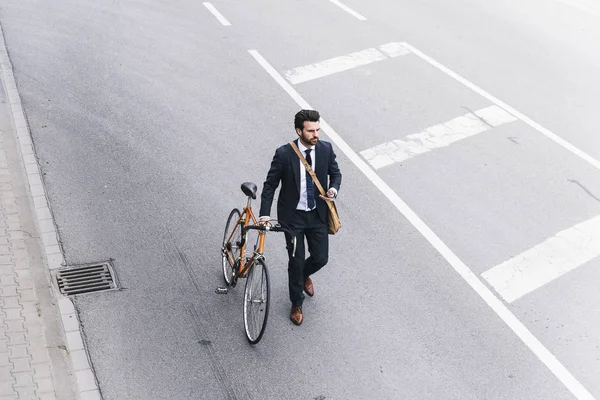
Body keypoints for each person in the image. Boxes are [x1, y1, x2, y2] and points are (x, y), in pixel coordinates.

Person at [259, 109, 342, 326]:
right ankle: (296, 302)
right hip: (292, 218)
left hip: (317, 215)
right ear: (299, 131)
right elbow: (270, 186)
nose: (316, 134)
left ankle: (302, 276)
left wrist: (333, 190)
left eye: (317, 130)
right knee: (295, 261)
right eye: (311, 131)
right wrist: (264, 214)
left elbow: (336, 173)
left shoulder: (325, 149)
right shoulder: (284, 154)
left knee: (321, 258)